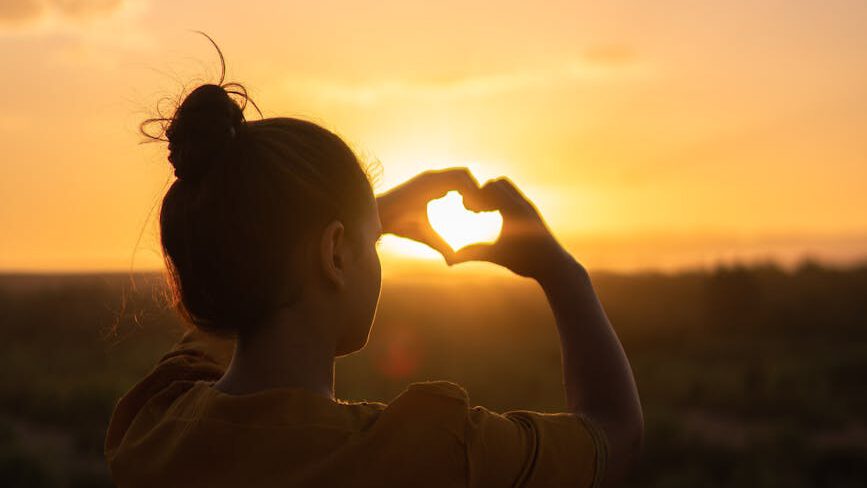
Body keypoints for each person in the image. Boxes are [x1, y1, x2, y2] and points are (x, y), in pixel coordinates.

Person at [105, 67, 643, 487]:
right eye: (371, 241)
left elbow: (230, 294)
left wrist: (356, 219)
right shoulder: (432, 452)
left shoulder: (153, 428)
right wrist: (562, 272)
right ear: (335, 253)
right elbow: (613, 434)